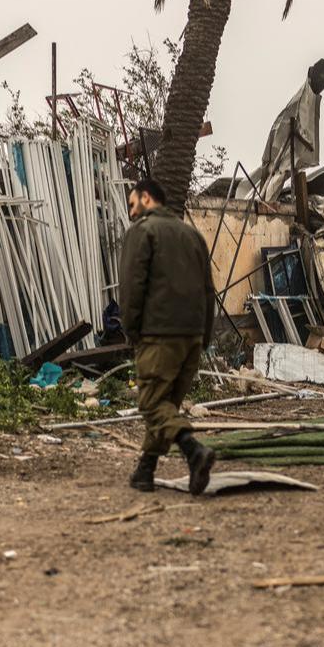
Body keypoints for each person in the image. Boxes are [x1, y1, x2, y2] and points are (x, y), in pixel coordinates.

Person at [119, 179, 217, 495]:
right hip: (192, 334)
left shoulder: (143, 231)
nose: (131, 212)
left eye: (133, 204)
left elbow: (132, 285)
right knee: (166, 409)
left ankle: (193, 451)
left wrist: (131, 329)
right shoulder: (193, 235)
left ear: (146, 198)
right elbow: (208, 289)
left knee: (150, 403)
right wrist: (205, 335)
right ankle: (145, 472)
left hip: (158, 333)